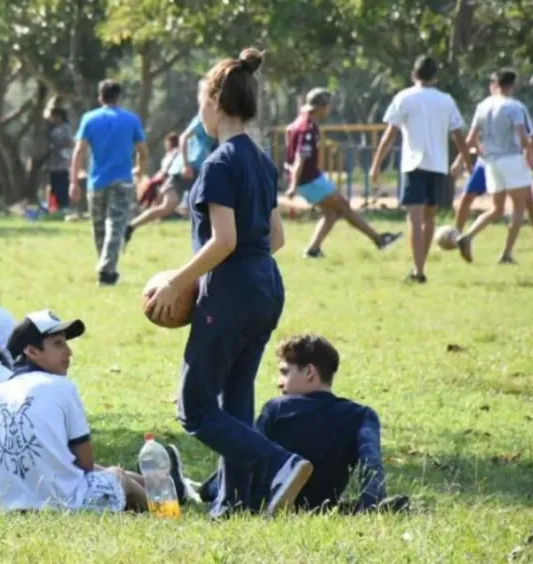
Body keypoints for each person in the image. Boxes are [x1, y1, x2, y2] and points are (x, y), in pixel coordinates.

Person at [145, 49, 312, 519]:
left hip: (232, 290)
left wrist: (177, 283)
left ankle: (280, 465)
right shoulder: (261, 161)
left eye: (201, 99)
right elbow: (275, 237)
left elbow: (224, 240)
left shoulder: (218, 164)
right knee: (234, 399)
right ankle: (237, 500)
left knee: (195, 407)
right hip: (267, 287)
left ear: (214, 102)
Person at [0, 310, 186, 513]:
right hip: (64, 505)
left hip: (2, 511)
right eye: (59, 343)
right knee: (117, 477)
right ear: (32, 351)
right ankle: (165, 516)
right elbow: (84, 465)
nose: (69, 351)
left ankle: (163, 490)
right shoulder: (62, 387)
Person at [252, 334, 388, 512]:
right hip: (322, 507)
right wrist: (372, 506)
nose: (279, 382)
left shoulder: (276, 409)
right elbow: (372, 467)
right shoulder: (361, 415)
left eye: (285, 372)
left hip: (269, 502)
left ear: (309, 372)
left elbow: (246, 460)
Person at [369, 56, 471, 283]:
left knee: (414, 218)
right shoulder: (446, 100)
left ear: (413, 75)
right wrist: (467, 162)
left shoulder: (405, 97)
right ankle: (420, 269)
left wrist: (376, 164)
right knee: (430, 218)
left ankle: (418, 271)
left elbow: (390, 134)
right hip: (437, 165)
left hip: (413, 164)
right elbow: (458, 135)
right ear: (435, 77)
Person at [285, 88, 401, 258]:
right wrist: (293, 185)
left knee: (331, 212)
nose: (330, 108)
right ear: (321, 107)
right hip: (308, 179)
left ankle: (313, 250)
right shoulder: (308, 127)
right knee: (344, 206)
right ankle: (379, 239)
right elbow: (300, 158)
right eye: (328, 105)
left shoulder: (300, 121)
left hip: (310, 177)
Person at [70, 79, 149, 286]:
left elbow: (79, 151)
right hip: (122, 180)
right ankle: (107, 269)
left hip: (96, 181)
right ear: (119, 97)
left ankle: (106, 270)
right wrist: (140, 170)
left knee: (98, 227)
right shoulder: (131, 120)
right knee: (115, 225)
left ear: (100, 96)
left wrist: (74, 181)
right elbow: (143, 151)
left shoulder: (90, 119)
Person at [455, 69, 533, 265]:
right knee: (518, 207)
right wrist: (529, 151)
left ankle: (467, 236)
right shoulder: (514, 106)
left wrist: (462, 159)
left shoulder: (483, 105)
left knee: (496, 209)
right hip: (512, 159)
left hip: (491, 162)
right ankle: (506, 253)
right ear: (512, 85)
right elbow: (521, 133)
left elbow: (471, 137)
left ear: (496, 84)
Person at [127, 112, 215, 243]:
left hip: (199, 169)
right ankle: (130, 227)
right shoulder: (202, 117)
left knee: (208, 206)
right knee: (167, 207)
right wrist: (185, 164)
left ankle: (211, 240)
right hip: (186, 168)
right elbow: (184, 137)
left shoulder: (222, 119)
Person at [135, 132, 180, 210]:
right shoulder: (168, 154)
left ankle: (144, 204)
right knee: (148, 183)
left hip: (168, 176)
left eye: (167, 142)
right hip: (162, 175)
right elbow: (162, 168)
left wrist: (161, 174)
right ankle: (145, 203)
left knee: (151, 184)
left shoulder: (175, 152)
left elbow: (168, 167)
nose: (165, 145)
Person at [45, 107, 74, 214]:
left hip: (62, 163)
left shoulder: (65, 128)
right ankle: (53, 207)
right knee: (54, 185)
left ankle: (63, 206)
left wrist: (56, 145)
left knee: (61, 185)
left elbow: (69, 142)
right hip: (54, 163)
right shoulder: (53, 128)